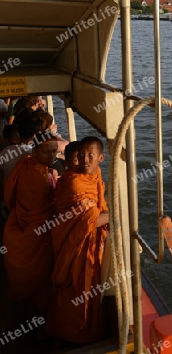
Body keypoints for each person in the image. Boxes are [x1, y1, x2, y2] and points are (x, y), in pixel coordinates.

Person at [46, 136, 109, 344]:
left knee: (85, 286)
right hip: (75, 244)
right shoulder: (75, 182)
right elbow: (91, 219)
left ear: (101, 157)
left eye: (91, 155)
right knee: (75, 285)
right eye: (81, 155)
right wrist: (117, 213)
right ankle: (73, 334)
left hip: (86, 242)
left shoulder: (95, 176)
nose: (85, 160)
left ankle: (85, 330)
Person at [3, 132, 58, 312]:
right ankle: (32, 304)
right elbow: (43, 208)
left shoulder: (27, 165)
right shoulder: (35, 174)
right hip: (34, 228)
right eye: (46, 153)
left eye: (54, 153)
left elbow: (10, 195)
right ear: (34, 152)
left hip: (18, 221)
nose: (51, 157)